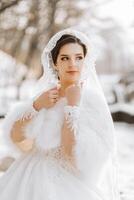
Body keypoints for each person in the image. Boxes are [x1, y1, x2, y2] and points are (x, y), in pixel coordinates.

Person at [0, 28, 120, 200]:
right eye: (65, 58)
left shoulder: (93, 102)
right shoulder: (45, 96)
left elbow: (74, 156)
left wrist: (72, 107)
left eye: (78, 57)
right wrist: (36, 106)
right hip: (26, 177)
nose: (73, 64)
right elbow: (16, 138)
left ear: (85, 61)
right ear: (55, 63)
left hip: (68, 184)